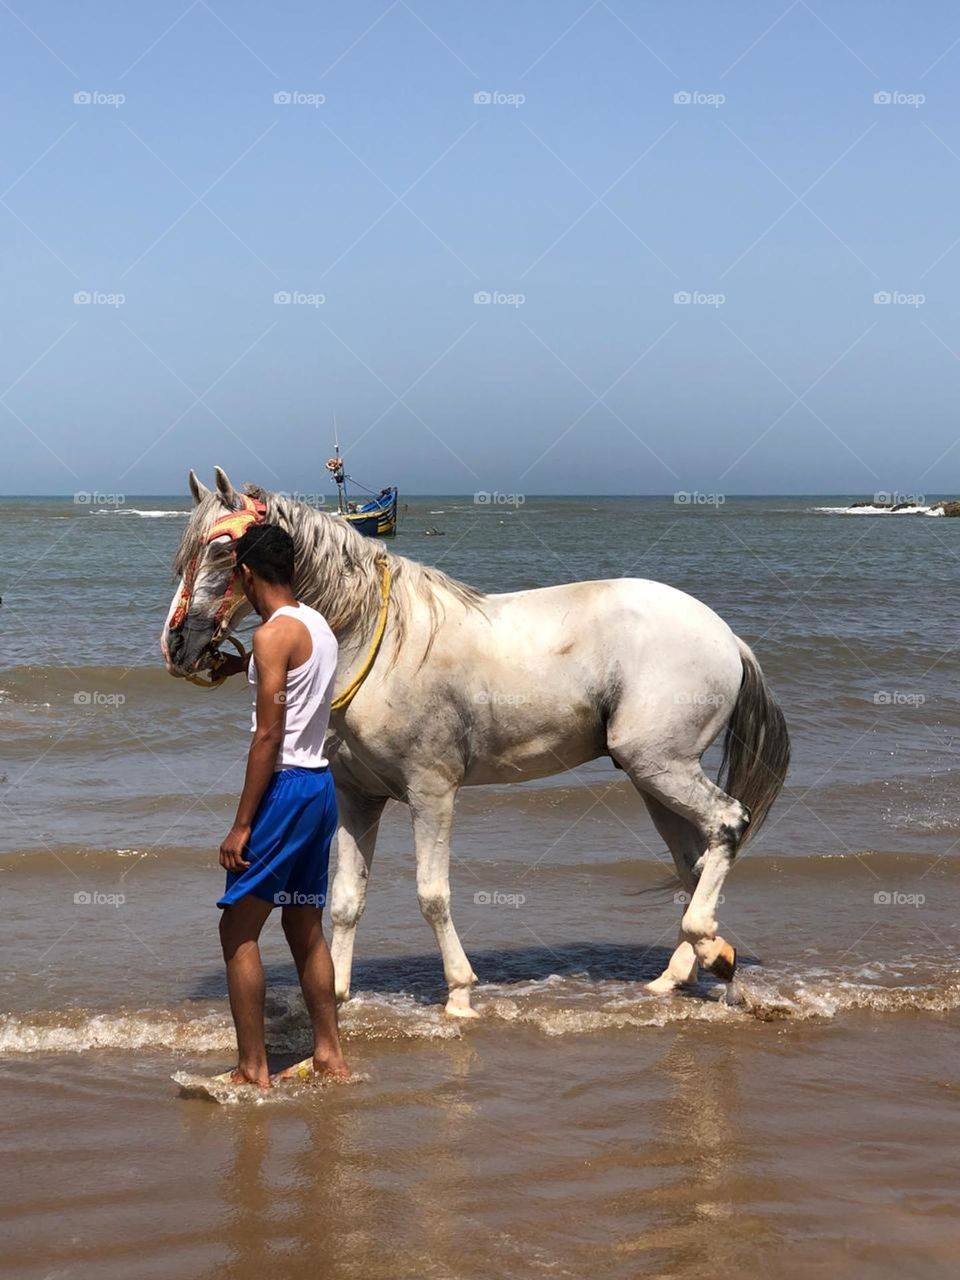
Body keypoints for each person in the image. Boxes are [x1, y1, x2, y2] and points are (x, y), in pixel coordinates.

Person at [213, 523, 348, 1088]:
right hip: (320, 786)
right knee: (305, 927)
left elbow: (268, 736)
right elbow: (296, 689)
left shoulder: (272, 638)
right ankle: (329, 1057)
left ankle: (252, 1071)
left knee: (237, 932)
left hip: (285, 789)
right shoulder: (316, 624)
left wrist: (241, 825)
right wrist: (241, 669)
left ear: (245, 574)